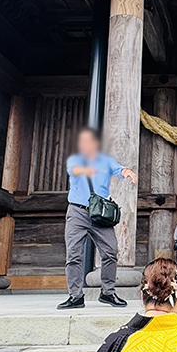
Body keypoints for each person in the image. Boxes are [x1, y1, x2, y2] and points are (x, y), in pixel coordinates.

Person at [61, 127, 137, 310]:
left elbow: (119, 169)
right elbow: (74, 170)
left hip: (99, 213)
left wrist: (128, 172)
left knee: (110, 251)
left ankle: (108, 292)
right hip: (77, 212)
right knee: (73, 255)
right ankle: (75, 296)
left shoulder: (106, 160)